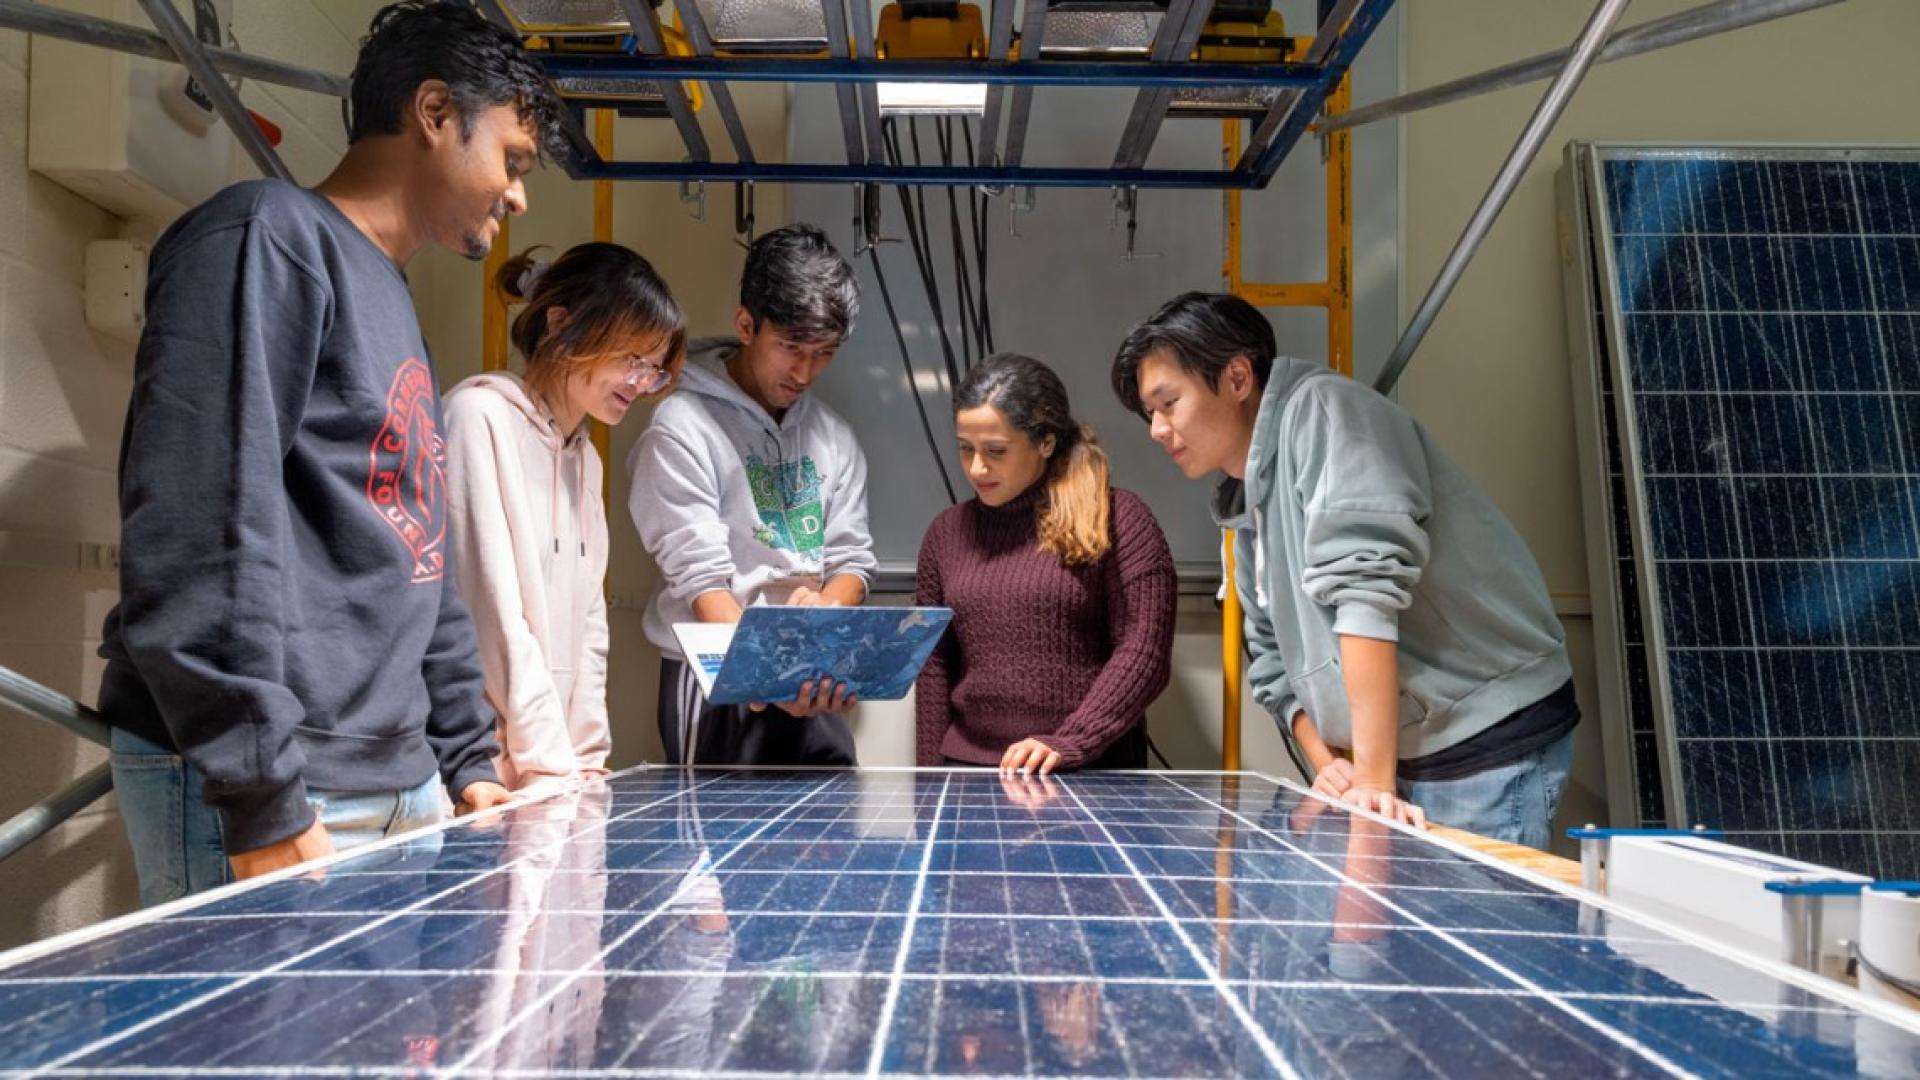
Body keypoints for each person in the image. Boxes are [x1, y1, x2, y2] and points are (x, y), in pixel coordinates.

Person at [96, 0, 568, 904]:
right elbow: (202, 529)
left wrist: (467, 754)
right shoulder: (265, 238)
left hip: (399, 784)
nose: (518, 194)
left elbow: (416, 556)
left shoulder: (391, 301)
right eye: (512, 159)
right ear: (435, 114)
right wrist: (263, 791)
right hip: (280, 786)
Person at [1111, 293, 1578, 849]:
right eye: (1149, 414)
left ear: (1237, 377)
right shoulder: (1245, 503)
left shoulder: (1325, 413)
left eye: (1168, 403)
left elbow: (1365, 596)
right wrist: (1328, 760)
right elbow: (1270, 664)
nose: (1157, 429)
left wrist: (1374, 786)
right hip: (1396, 757)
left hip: (1481, 745)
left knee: (1470, 928)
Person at [628, 224, 875, 766]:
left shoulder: (835, 437)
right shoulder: (682, 427)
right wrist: (770, 670)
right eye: (790, 347)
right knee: (720, 842)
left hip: (814, 681)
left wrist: (827, 614)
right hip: (720, 676)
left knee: (835, 841)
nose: (805, 371)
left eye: (824, 353)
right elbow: (701, 581)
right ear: (746, 324)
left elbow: (853, 561)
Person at [444, 243, 686, 792]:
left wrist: (587, 760)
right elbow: (493, 617)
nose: (640, 382)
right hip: (481, 769)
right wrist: (550, 765)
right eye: (631, 359)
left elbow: (589, 630)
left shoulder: (586, 458)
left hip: (553, 771)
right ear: (560, 325)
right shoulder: (478, 418)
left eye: (652, 368)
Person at [915, 354, 1177, 775]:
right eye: (966, 449)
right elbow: (932, 668)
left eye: (996, 451)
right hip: (970, 770)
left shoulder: (1119, 517)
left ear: (1046, 443)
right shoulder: (946, 534)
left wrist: (1072, 740)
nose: (977, 467)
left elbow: (1144, 649)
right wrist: (929, 786)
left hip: (1088, 770)